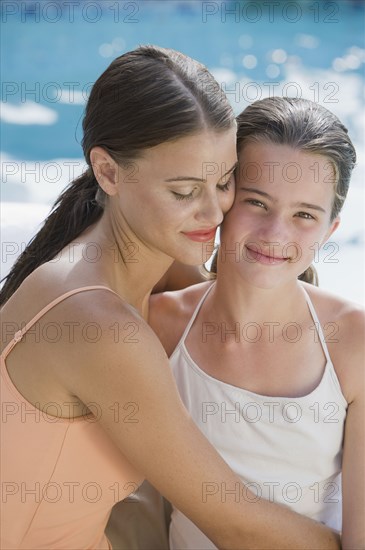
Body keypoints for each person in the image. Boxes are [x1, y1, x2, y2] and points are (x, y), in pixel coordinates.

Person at [0, 45, 341, 550]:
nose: (213, 212)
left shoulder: (158, 264)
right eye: (183, 192)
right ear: (109, 173)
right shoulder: (94, 319)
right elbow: (235, 523)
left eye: (225, 182)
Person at [149, 97, 365, 550]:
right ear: (222, 197)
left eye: (305, 215)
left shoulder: (352, 344)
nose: (275, 234)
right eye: (256, 202)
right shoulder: (161, 327)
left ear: (330, 229)